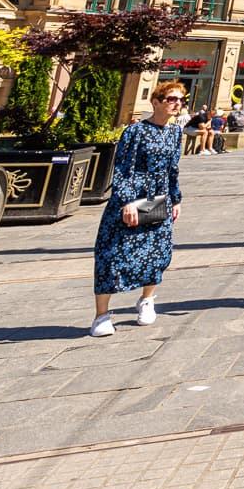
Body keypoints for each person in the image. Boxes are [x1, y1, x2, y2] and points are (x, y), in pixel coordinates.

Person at [89, 80, 186, 336]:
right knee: (112, 254)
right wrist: (127, 201)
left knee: (157, 252)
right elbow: (122, 169)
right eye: (171, 99)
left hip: (158, 198)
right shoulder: (136, 132)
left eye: (180, 100)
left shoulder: (176, 133)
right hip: (132, 198)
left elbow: (173, 169)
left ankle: (147, 299)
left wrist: (176, 199)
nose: (176, 104)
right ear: (155, 102)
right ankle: (101, 316)